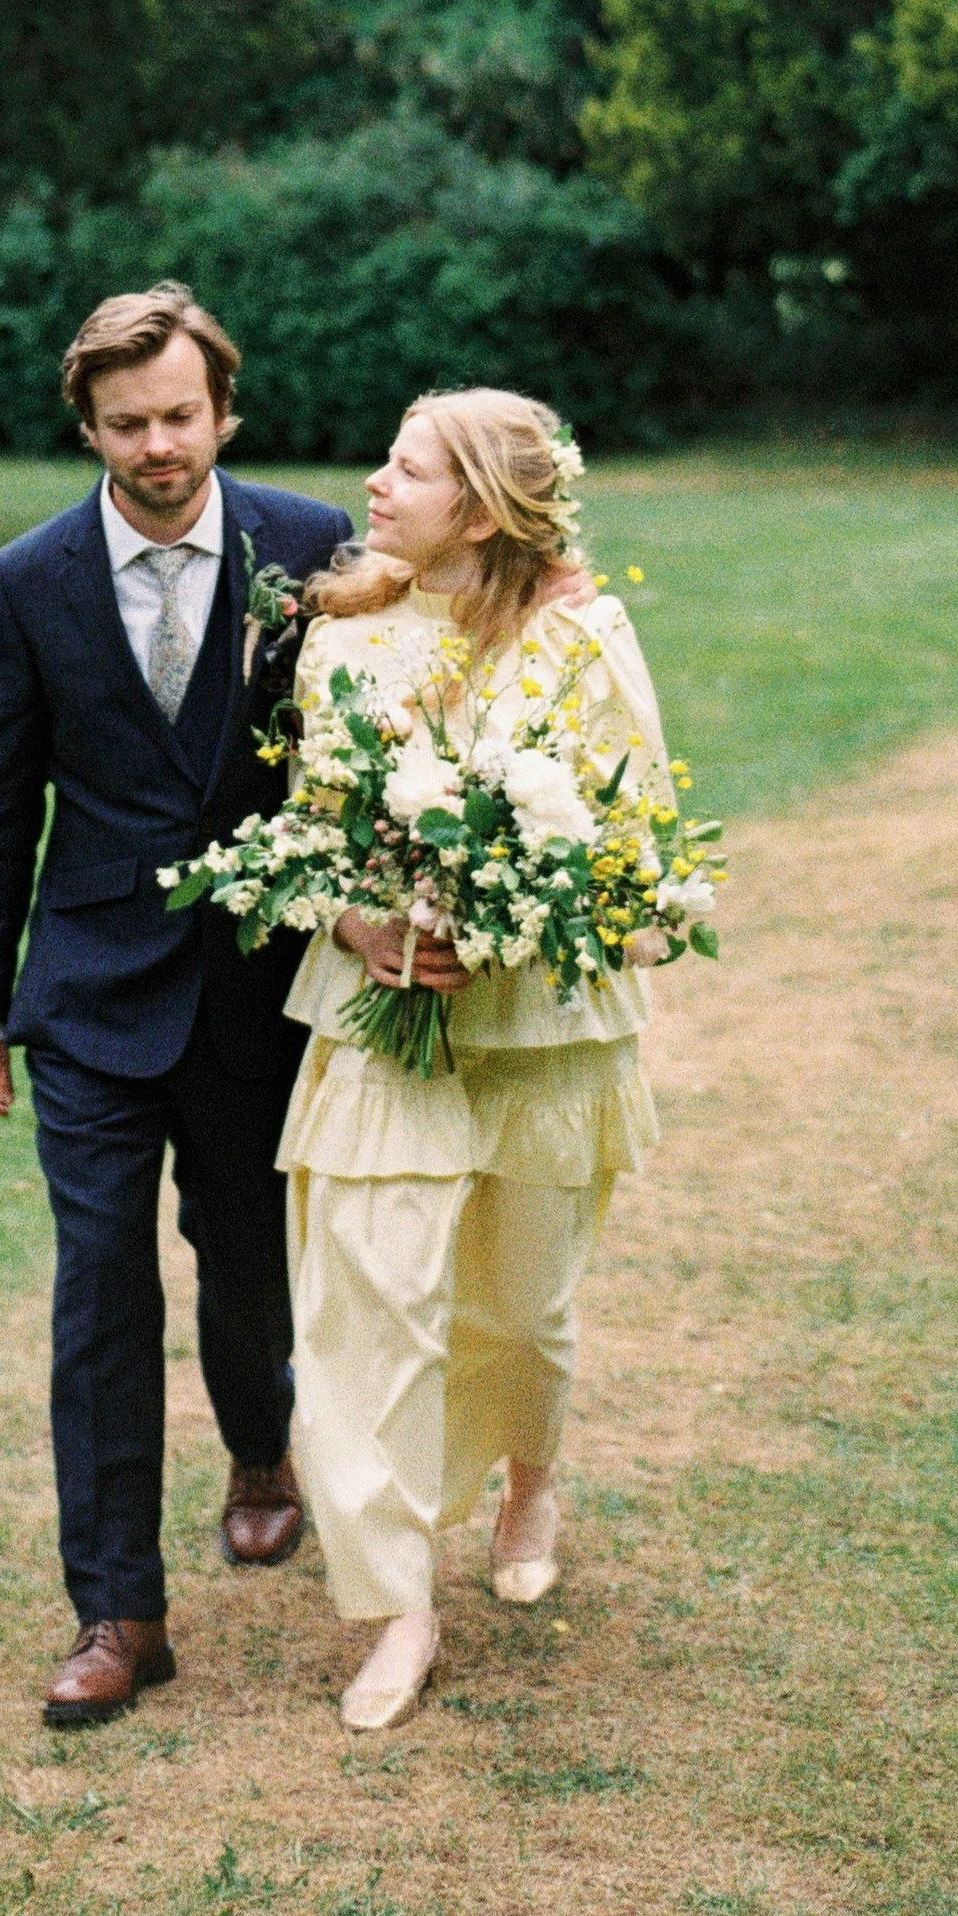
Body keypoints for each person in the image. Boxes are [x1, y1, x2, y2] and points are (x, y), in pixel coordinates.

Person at [0, 285, 352, 1728]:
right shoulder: (30, 581)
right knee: (100, 1284)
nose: (160, 445)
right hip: (91, 992)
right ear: (88, 425)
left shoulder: (310, 550)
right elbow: (2, 800)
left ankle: (261, 1444)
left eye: (182, 415)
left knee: (245, 1255)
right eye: (129, 423)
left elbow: (368, 749)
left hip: (258, 987)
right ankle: (118, 1607)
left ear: (222, 411)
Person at [278, 389, 673, 1732]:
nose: (375, 484)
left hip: (541, 1029)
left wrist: (515, 914)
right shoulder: (344, 635)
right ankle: (400, 1605)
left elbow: (635, 843)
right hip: (382, 1022)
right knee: (365, 1308)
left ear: (486, 505)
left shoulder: (580, 635)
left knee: (518, 1308)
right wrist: (370, 921)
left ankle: (531, 1472)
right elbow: (308, 835)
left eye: (408, 468)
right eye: (381, 457)